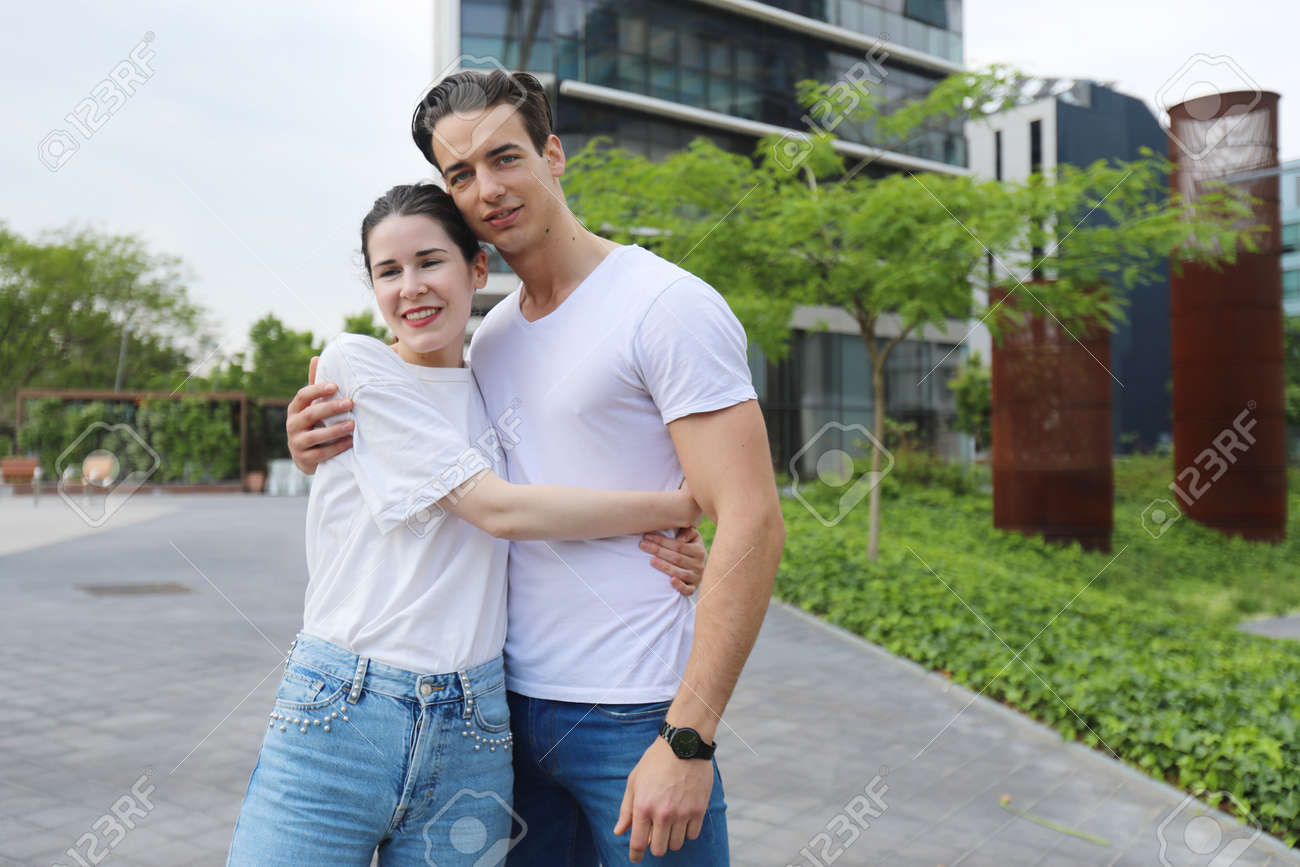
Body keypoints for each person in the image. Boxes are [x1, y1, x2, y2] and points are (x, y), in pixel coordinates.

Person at [290, 69, 786, 866]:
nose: (486, 188)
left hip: (633, 716)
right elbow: (427, 439)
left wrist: (688, 738)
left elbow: (754, 521)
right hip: (496, 723)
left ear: (553, 154)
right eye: (460, 174)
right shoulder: (490, 340)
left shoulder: (666, 305)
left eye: (505, 157)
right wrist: (312, 425)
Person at [228, 182, 711, 866]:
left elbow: (560, 489)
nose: (411, 287)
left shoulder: (495, 380)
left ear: (477, 269)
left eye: (430, 261)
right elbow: (502, 509)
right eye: (388, 272)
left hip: (474, 730)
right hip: (341, 713)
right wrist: (678, 504)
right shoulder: (353, 366)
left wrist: (672, 550)